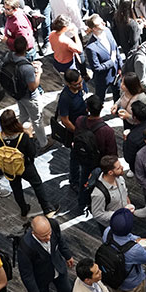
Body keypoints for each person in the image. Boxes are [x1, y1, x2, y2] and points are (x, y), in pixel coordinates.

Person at [0, 109, 56, 216]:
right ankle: (47, 208)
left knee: (16, 188)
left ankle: (24, 209)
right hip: (25, 166)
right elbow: (32, 152)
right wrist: (30, 135)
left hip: (9, 167)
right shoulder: (23, 137)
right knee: (37, 185)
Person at [18, 216, 75, 292]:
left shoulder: (53, 224)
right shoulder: (25, 246)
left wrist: (67, 255)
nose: (48, 237)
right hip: (40, 276)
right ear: (34, 233)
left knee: (66, 289)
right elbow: (27, 275)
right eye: (44, 236)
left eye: (49, 233)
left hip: (57, 266)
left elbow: (60, 239)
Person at [102, 209, 146, 292]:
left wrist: (134, 239)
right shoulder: (135, 250)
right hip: (132, 282)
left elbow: (125, 237)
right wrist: (141, 243)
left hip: (112, 278)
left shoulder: (107, 232)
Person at [8, 36, 50, 150]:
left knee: (23, 116)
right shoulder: (26, 69)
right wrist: (38, 73)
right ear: (26, 48)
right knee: (37, 119)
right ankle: (43, 143)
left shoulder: (9, 57)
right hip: (29, 97)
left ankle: (24, 136)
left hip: (17, 94)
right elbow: (33, 87)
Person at [58, 69, 90, 201]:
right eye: (76, 84)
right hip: (76, 132)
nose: (80, 85)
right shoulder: (65, 97)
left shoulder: (81, 87)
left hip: (84, 125)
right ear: (69, 84)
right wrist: (78, 132)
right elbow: (64, 120)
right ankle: (74, 181)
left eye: (80, 82)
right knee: (75, 157)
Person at [85, 14, 123, 101]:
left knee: (117, 94)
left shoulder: (107, 31)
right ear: (94, 28)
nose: (104, 23)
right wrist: (111, 62)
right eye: (100, 23)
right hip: (103, 79)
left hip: (116, 73)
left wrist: (120, 66)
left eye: (102, 21)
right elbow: (96, 68)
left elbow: (115, 48)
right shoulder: (91, 47)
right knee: (100, 98)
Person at [90, 156, 136, 227]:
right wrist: (119, 214)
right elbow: (97, 214)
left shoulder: (119, 178)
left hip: (124, 217)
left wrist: (128, 205)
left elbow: (124, 193)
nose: (122, 167)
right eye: (118, 168)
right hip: (113, 224)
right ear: (110, 172)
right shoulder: (99, 194)